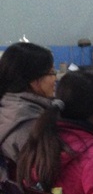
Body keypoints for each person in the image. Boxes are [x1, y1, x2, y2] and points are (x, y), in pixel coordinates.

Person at [0, 42, 58, 178]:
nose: (55, 78)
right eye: (51, 72)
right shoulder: (30, 123)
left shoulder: (8, 105)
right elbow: (45, 174)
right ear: (34, 81)